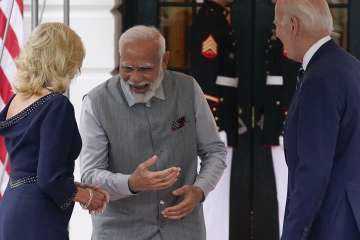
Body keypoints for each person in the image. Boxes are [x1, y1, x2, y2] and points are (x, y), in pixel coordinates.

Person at [79, 25, 227, 240]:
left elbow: (214, 151)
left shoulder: (189, 89)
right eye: (127, 67)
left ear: (165, 60)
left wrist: (200, 190)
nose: (135, 78)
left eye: (145, 69)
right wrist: (131, 183)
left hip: (184, 231)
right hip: (119, 233)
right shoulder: (96, 102)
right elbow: (90, 175)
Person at [0, 22, 108, 240]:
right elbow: (48, 178)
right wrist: (87, 196)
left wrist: (74, 186)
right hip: (39, 216)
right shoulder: (56, 105)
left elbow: (33, 170)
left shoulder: (15, 100)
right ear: (64, 61)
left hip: (12, 207)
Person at [275, 0, 360, 239]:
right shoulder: (350, 66)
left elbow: (313, 170)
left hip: (330, 225)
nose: (276, 32)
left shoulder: (319, 79)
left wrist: (292, 234)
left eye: (277, 24)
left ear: (293, 25)